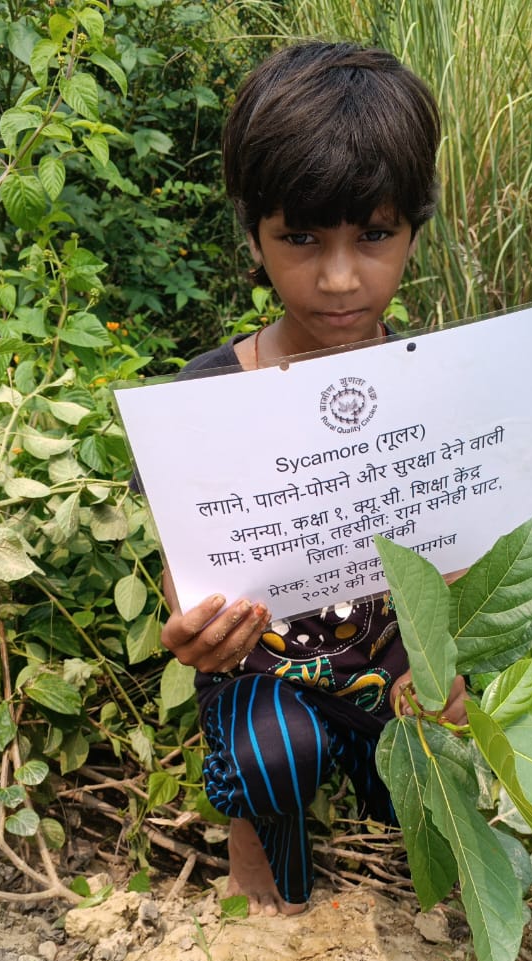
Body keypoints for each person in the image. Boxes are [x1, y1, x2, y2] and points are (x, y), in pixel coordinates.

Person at [160, 41, 466, 915]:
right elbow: (186, 575)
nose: (338, 277)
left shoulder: (442, 385)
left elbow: (478, 557)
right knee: (271, 754)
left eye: (373, 235)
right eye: (301, 238)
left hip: (390, 665)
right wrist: (193, 632)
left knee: (442, 744)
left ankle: (401, 809)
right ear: (253, 235)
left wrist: (457, 621)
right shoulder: (209, 395)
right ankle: (263, 858)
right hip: (269, 672)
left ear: (415, 227)